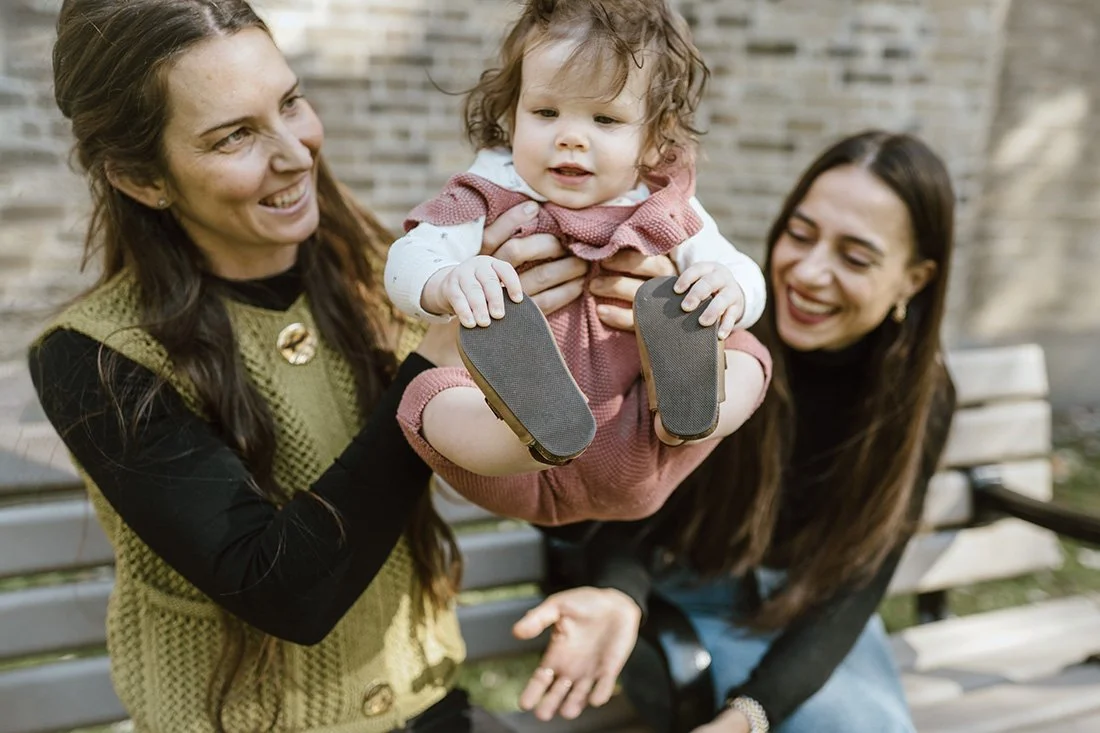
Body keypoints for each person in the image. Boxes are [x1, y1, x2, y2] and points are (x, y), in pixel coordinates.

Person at [29, 1, 659, 729]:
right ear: (143, 179)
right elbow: (284, 591)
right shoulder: (96, 358)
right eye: (234, 135)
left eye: (291, 102)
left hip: (432, 708)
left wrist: (618, 586)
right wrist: (443, 354)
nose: (296, 152)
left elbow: (589, 436)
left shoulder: (390, 272)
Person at [511, 130, 958, 733]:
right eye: (800, 234)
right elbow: (632, 501)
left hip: (807, 612)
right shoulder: (722, 333)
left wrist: (749, 715)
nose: (810, 272)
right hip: (680, 598)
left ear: (914, 279)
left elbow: (858, 580)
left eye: (855, 257)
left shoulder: (921, 395)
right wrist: (619, 592)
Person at [389, 0, 772, 526]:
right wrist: (447, 279)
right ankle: (531, 429)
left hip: (643, 436)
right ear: (512, 113)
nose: (570, 136)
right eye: (546, 113)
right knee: (425, 397)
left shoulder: (664, 208)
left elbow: (746, 274)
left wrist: (728, 289)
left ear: (654, 136)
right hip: (512, 464)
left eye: (605, 118)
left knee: (745, 350)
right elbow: (407, 260)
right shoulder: (486, 195)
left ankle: (691, 412)